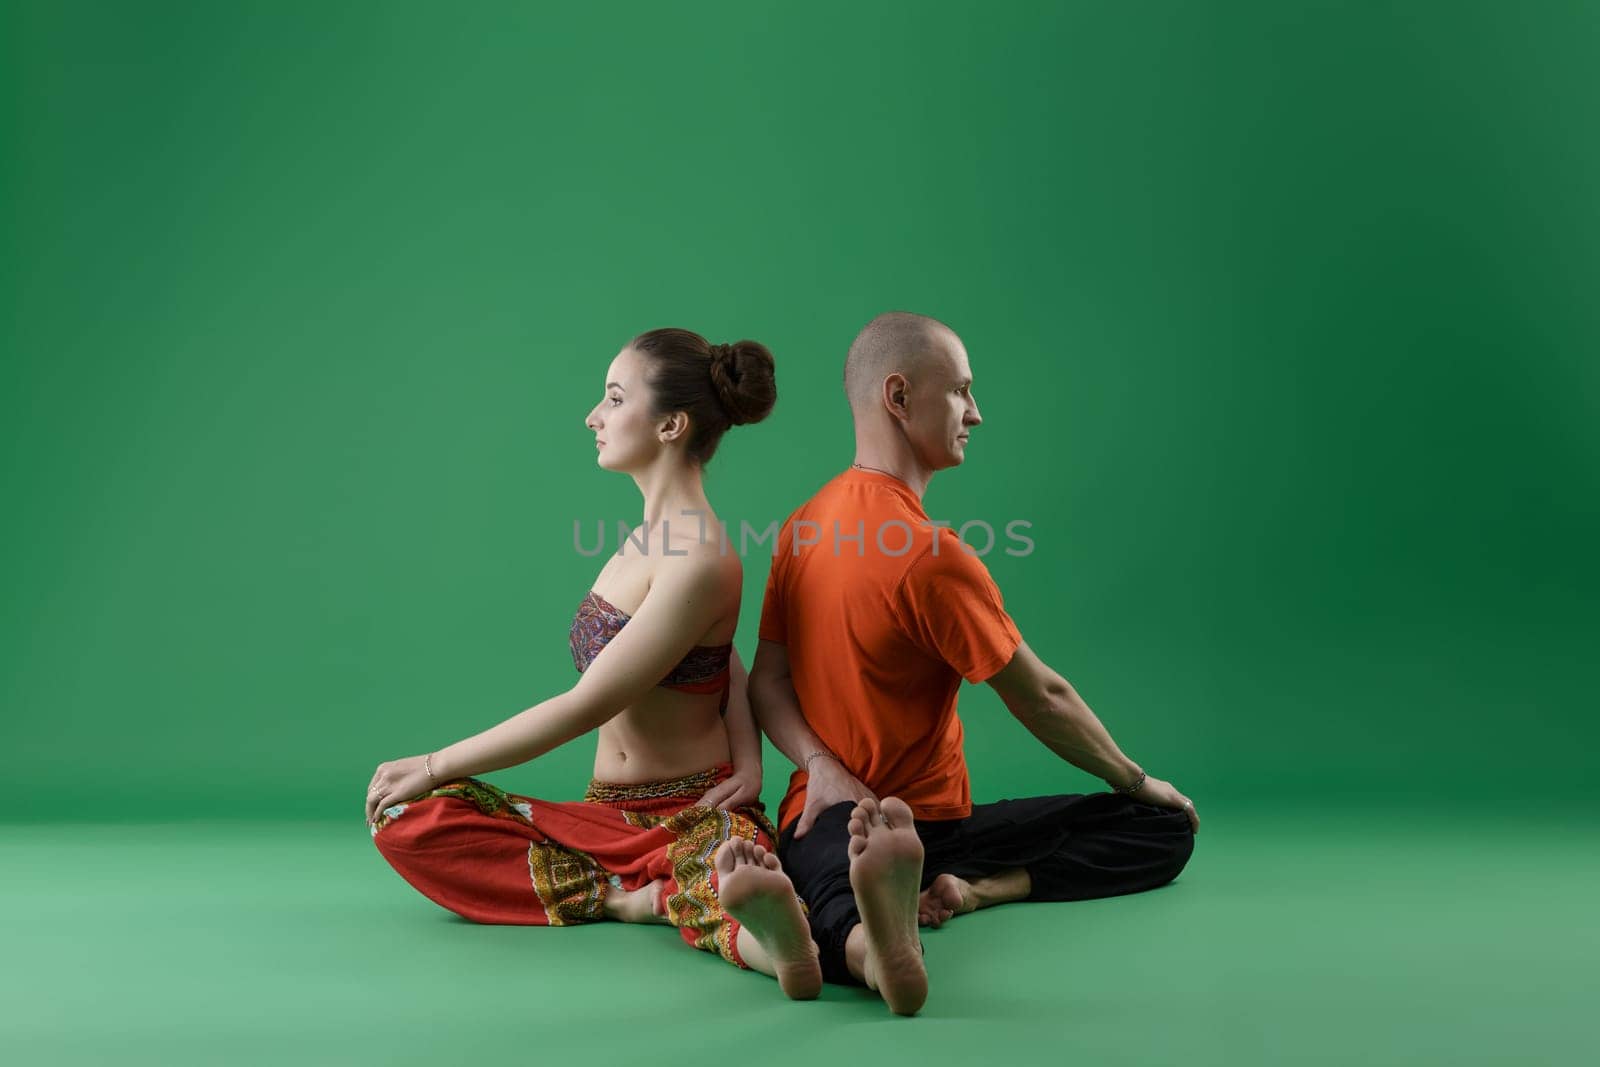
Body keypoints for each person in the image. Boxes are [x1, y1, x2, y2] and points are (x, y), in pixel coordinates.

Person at [748, 311, 1200, 1016]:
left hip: (861, 817)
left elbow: (767, 683)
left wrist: (816, 763)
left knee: (827, 889)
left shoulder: (801, 524)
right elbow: (1040, 695)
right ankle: (883, 937)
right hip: (863, 818)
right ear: (899, 398)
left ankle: (937, 900)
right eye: (961, 390)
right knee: (1160, 821)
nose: (976, 413)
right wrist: (1135, 779)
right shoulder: (932, 556)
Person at [366, 328, 822, 999]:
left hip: (693, 810)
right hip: (603, 820)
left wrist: (434, 762)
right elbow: (720, 655)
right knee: (408, 818)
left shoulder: (699, 556)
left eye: (613, 398)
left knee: (719, 879)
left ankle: (783, 944)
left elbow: (585, 705)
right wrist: (751, 751)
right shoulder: (649, 539)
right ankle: (627, 896)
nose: (593, 416)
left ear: (671, 423)